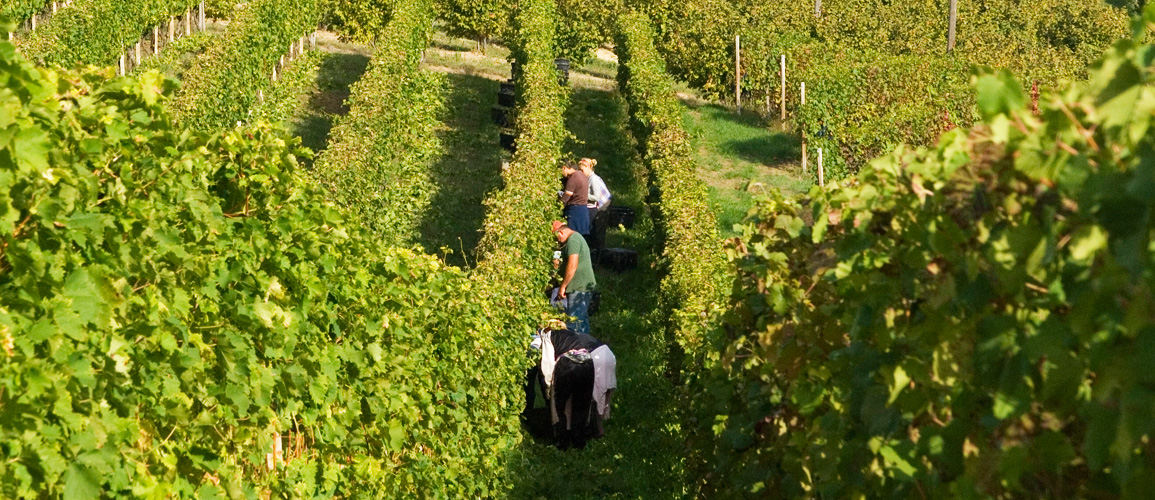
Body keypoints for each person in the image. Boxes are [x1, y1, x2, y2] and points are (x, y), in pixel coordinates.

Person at [540, 325, 604, 449]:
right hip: (587, 362)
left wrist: (548, 387)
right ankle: (579, 441)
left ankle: (562, 442)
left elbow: (548, 363)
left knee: (560, 405)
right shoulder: (573, 334)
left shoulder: (548, 336)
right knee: (582, 404)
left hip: (567, 364)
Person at [551, 221, 596, 335]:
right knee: (581, 321)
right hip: (578, 285)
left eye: (556, 238)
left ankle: (575, 349)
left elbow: (572, 265)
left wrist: (563, 286)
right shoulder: (569, 241)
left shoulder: (573, 240)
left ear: (560, 232)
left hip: (579, 286)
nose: (556, 241)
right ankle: (586, 346)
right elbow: (558, 261)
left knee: (574, 322)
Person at [580, 158, 611, 255]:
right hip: (599, 204)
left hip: (603, 204)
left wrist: (582, 195)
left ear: (589, 168)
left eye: (582, 170)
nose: (581, 173)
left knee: (598, 230)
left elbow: (596, 197)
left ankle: (599, 254)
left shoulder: (593, 179)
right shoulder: (588, 178)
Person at [558, 161, 591, 237]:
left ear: (564, 168)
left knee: (573, 235)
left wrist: (558, 205)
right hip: (583, 209)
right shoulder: (582, 175)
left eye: (561, 171)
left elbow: (566, 197)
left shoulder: (573, 178)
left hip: (575, 211)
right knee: (582, 236)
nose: (561, 174)